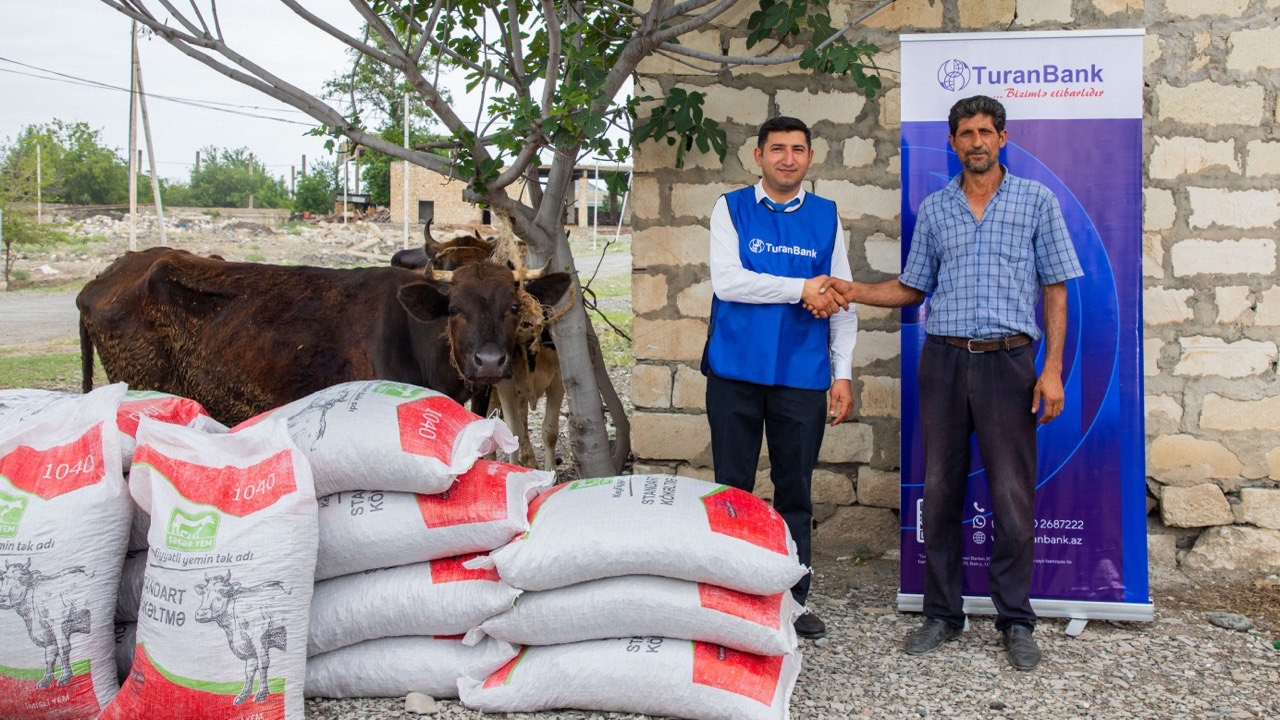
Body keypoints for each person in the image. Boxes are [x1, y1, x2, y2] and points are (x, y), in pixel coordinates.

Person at [815, 95, 1082, 669]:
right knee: (940, 491)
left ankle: (1015, 619)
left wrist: (1052, 369)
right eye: (966, 133)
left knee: (1012, 495)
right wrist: (851, 289)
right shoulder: (936, 209)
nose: (977, 141)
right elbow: (914, 288)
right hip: (942, 363)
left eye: (987, 131)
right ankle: (942, 613)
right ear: (953, 141)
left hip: (1011, 364)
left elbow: (1056, 288)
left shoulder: (1037, 202)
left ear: (1002, 138)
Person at [703, 115, 857, 640]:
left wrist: (844, 373)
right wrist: (800, 289)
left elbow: (842, 299)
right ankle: (731, 596)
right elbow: (728, 283)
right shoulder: (731, 208)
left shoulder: (829, 217)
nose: (787, 158)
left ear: (811, 158)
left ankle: (792, 601)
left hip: (802, 374)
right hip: (735, 371)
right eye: (777, 149)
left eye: (797, 149)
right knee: (733, 487)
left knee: (795, 491)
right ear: (758, 157)